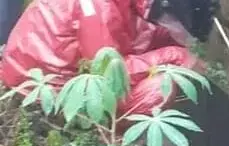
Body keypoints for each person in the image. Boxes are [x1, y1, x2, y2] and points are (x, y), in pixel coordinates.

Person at [0, 0, 217, 116]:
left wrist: (169, 42)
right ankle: (117, 140)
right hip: (47, 89)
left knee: (156, 41)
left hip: (37, 65)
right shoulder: (97, 8)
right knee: (160, 86)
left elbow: (131, 32)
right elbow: (108, 72)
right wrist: (175, 56)